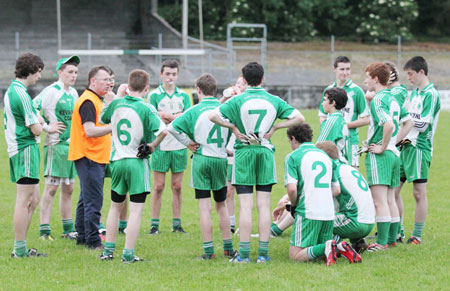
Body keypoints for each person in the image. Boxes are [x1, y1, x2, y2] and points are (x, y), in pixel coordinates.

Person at [209, 62, 304, 263]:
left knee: (245, 206)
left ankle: (243, 255)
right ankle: (263, 254)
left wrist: (233, 128)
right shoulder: (273, 100)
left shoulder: (238, 100)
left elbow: (212, 115)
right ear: (262, 79)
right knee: (263, 204)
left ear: (244, 80)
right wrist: (277, 127)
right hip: (264, 152)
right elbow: (299, 117)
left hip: (243, 152)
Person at [99, 69, 167, 263]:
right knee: (136, 210)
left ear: (128, 86)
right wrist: (153, 145)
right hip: (137, 160)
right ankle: (128, 254)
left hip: (118, 161)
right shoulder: (146, 108)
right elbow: (163, 130)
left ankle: (108, 251)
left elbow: (103, 117)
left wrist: (118, 96)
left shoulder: (117, 103)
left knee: (114, 207)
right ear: (146, 88)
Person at [169, 73, 236, 260]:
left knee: (204, 207)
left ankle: (208, 252)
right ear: (214, 90)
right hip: (220, 159)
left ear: (198, 90)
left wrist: (188, 143)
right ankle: (228, 248)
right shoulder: (224, 109)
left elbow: (172, 128)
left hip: (201, 159)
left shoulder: (194, 111)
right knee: (221, 205)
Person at [5, 53, 52, 257]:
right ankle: (19, 249)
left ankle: (22, 247)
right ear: (30, 70)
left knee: (34, 198)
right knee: (24, 200)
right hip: (24, 149)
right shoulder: (21, 93)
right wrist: (40, 124)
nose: (39, 76)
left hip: (24, 149)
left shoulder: (14, 90)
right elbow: (36, 129)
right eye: (38, 71)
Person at [363, 63, 413, 252]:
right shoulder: (392, 98)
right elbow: (408, 122)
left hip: (382, 156)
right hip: (394, 154)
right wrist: (393, 143)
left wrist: (383, 146)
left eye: (367, 77)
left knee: (380, 201)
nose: (365, 81)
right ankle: (392, 239)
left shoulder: (378, 99)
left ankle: (381, 242)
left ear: (376, 79)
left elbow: (389, 125)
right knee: (390, 199)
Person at [32, 55, 80, 241]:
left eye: (75, 72)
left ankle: (68, 229)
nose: (73, 75)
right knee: (51, 189)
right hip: (55, 145)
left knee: (68, 188)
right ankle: (44, 230)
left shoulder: (74, 93)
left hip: (71, 146)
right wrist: (46, 127)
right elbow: (31, 107)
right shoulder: (51, 91)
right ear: (60, 72)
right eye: (69, 71)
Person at [68, 66, 113, 250]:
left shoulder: (95, 99)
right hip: (89, 155)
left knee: (86, 198)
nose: (109, 83)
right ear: (92, 81)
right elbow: (90, 130)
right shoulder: (88, 101)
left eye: (110, 79)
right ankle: (93, 240)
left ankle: (83, 236)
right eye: (105, 80)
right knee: (93, 199)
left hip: (92, 155)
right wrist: (113, 126)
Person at [284, 123, 341, 266]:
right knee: (317, 256)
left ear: (294, 139)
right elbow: (337, 189)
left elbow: (291, 189)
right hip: (328, 212)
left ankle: (330, 246)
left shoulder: (293, 156)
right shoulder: (327, 156)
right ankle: (336, 247)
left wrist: (294, 204)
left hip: (308, 211)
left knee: (295, 255)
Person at [399, 56, 440, 245]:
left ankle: (416, 235)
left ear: (421, 72)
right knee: (392, 188)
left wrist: (407, 123)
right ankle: (395, 230)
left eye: (411, 74)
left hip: (419, 147)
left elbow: (424, 124)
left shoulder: (431, 94)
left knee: (418, 192)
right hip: (404, 146)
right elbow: (405, 117)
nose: (409, 78)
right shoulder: (414, 93)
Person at [149, 59, 191, 234]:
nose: (170, 77)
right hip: (160, 144)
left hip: (179, 145)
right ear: (161, 75)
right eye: (167, 74)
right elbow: (154, 117)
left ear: (177, 75)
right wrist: (175, 116)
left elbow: (187, 118)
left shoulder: (184, 96)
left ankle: (177, 224)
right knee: (158, 186)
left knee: (177, 186)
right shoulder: (154, 95)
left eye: (173, 74)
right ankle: (154, 224)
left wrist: (167, 115)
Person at [316, 141, 374, 256]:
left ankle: (336, 246)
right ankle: (358, 241)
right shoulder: (348, 168)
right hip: (370, 221)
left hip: (354, 222)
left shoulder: (332, 170)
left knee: (316, 217)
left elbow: (318, 195)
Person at [318, 56, 369, 168]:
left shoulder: (357, 91)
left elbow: (366, 119)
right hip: (331, 142)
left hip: (350, 141)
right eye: (342, 69)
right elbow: (322, 116)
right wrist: (328, 124)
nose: (345, 73)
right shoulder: (328, 90)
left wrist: (344, 125)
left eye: (348, 69)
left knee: (352, 175)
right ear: (334, 69)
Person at [384, 61, 408, 241]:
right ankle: (396, 229)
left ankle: (397, 231)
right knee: (393, 192)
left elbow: (405, 121)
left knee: (393, 193)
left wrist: (394, 141)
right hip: (396, 146)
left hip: (399, 147)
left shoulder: (397, 92)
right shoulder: (394, 92)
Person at [221, 76, 248, 234]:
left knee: (244, 189)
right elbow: (214, 111)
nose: (238, 86)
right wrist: (226, 95)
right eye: (237, 83)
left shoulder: (247, 102)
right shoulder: (230, 102)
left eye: (242, 84)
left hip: (244, 149)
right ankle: (231, 222)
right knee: (229, 188)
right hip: (229, 149)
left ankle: (244, 222)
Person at [316, 87, 350, 162]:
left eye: (324, 100)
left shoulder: (331, 121)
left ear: (333, 103)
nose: (322, 103)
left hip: (334, 165)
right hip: (342, 163)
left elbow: (319, 147)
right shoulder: (341, 119)